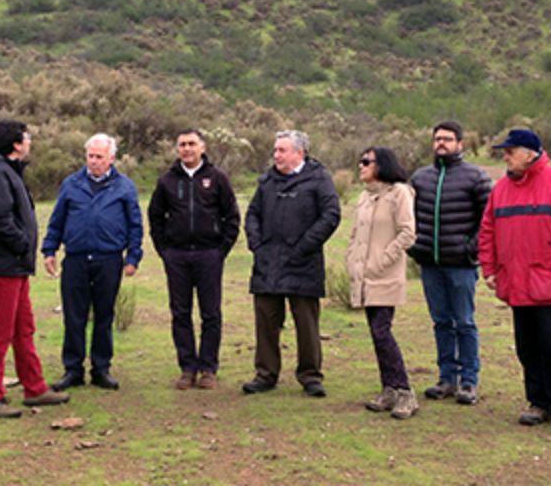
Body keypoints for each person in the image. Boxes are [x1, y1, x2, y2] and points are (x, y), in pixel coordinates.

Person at [479, 128, 551, 433]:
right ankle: (538, 402)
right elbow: (487, 231)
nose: (505, 157)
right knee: (527, 348)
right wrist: (490, 269)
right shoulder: (501, 188)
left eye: (510, 151)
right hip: (517, 286)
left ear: (530, 153)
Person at [0, 120, 70, 418]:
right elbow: (0, 219)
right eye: (27, 137)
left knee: (23, 328)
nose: (30, 142)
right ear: (16, 144)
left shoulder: (9, 172)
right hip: (1, 265)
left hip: (14, 267)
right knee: (1, 332)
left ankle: (35, 387)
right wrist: (21, 244)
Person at [243, 130, 341, 398]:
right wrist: (257, 245)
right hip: (268, 262)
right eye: (275, 150)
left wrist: (304, 247)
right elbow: (252, 214)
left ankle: (310, 375)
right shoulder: (267, 181)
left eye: (281, 150)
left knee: (306, 322)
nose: (276, 155)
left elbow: (331, 215)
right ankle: (265, 374)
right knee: (266, 321)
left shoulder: (319, 179)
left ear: (299, 153)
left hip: (303, 262)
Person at [43, 133, 143, 392]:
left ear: (111, 158)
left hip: (109, 259)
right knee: (73, 316)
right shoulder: (71, 184)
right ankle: (73, 369)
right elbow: (58, 219)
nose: (94, 161)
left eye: (100, 157)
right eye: (91, 156)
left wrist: (133, 256)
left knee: (103, 315)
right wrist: (50, 250)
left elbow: (135, 225)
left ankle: (101, 369)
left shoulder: (124, 187)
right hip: (76, 259)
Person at [148, 129, 241, 390]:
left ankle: (208, 368)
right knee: (180, 313)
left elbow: (231, 217)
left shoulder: (217, 178)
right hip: (176, 256)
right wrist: (164, 251)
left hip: (208, 254)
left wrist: (220, 250)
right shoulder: (167, 180)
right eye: (182, 145)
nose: (186, 149)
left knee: (211, 313)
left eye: (191, 144)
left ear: (203, 147)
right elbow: (155, 217)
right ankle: (187, 367)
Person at [408, 121, 493, 405]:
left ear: (461, 144)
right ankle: (446, 378)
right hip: (430, 264)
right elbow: (408, 216)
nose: (441, 143)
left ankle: (469, 381)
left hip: (461, 265)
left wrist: (471, 249)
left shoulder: (476, 177)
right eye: (437, 139)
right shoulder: (420, 178)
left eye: (447, 139)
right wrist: (415, 246)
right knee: (440, 321)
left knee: (465, 322)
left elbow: (489, 220)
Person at [346, 147, 419, 419]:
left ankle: (405, 392)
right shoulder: (364, 198)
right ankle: (389, 388)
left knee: (382, 331)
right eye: (360, 160)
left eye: (366, 161)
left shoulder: (399, 193)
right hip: (364, 276)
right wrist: (352, 259)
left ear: (382, 165)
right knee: (376, 333)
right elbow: (355, 234)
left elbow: (407, 233)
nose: (361, 166)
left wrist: (382, 260)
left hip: (385, 275)